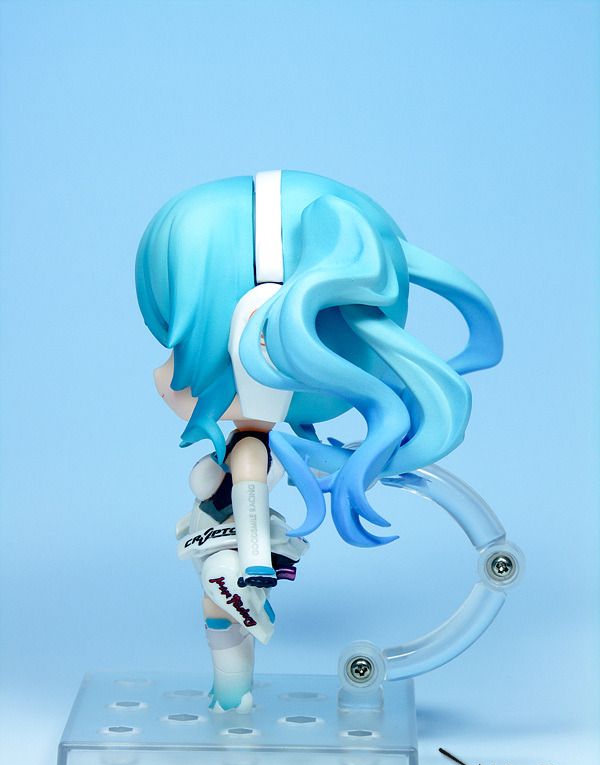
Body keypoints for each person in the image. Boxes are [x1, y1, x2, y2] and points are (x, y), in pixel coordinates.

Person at [136, 170, 502, 711]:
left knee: (221, 608)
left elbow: (249, 501)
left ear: (262, 342)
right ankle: (230, 697)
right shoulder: (245, 442)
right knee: (218, 618)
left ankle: (232, 697)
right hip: (219, 542)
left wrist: (254, 565)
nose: (166, 374)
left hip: (232, 554)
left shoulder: (249, 450)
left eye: (187, 350)